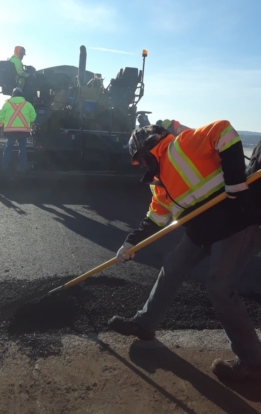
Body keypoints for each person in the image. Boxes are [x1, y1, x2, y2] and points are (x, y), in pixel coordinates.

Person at [108, 121, 261, 381]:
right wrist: (131, 242)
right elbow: (155, 217)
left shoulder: (182, 145)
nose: (141, 166)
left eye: (140, 160)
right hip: (201, 231)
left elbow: (223, 130)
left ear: (146, 148)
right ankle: (144, 324)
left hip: (235, 222)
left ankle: (253, 362)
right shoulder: (160, 183)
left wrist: (235, 183)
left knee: (219, 286)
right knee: (172, 267)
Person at [0, 87, 36, 174]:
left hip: (10, 132)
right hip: (23, 132)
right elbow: (33, 117)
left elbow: (1, 117)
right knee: (22, 149)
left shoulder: (7, 104)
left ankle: (4, 167)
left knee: (8, 148)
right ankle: (22, 168)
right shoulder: (27, 104)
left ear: (12, 95)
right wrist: (29, 122)